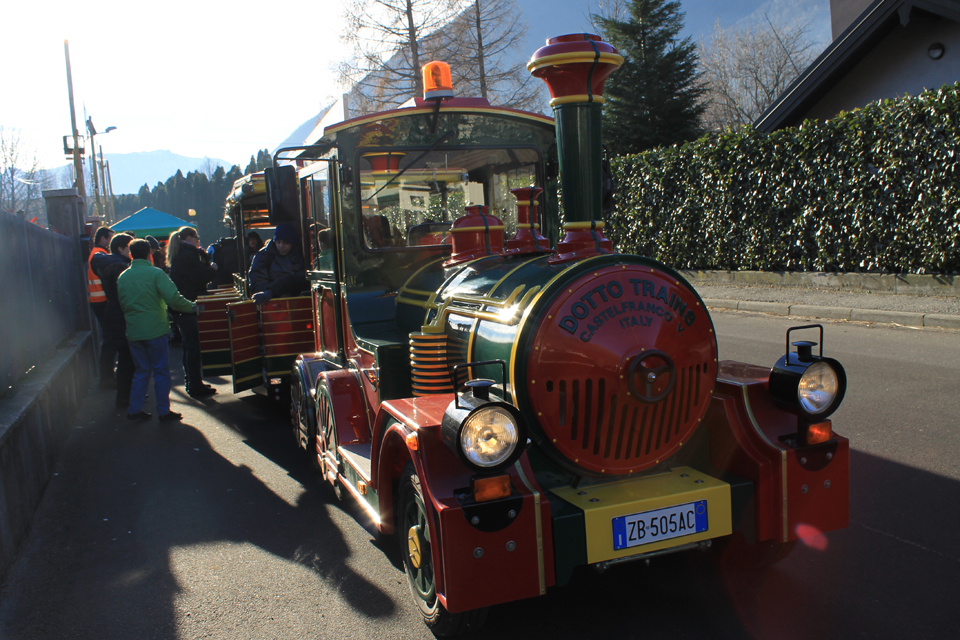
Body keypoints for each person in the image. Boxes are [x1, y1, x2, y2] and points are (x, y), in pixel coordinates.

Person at [117, 238, 196, 422]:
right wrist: (192, 307)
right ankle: (163, 411)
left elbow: (122, 304)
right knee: (160, 371)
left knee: (141, 371)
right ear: (149, 253)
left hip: (134, 331)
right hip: (155, 329)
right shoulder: (156, 274)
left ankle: (134, 409)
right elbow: (174, 298)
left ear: (130, 254)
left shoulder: (123, 277)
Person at [167, 226, 218, 398]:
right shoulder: (189, 255)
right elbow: (201, 276)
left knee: (189, 345)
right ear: (190, 238)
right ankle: (195, 384)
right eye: (196, 237)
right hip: (187, 305)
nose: (198, 240)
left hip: (180, 306)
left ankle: (192, 381)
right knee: (193, 346)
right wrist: (212, 269)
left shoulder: (179, 254)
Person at [90, 233, 135, 408]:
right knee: (127, 357)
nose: (131, 252)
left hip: (110, 310)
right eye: (129, 248)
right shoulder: (121, 268)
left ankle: (121, 392)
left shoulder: (105, 263)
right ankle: (126, 396)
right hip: (122, 313)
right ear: (120, 248)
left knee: (116, 350)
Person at [248, 223, 307, 304]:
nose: (281, 246)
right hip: (273, 304)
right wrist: (270, 293)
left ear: (293, 243)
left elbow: (302, 278)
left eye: (286, 243)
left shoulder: (303, 255)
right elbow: (257, 280)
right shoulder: (263, 256)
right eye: (278, 242)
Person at [88, 226, 116, 388]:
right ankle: (107, 377)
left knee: (109, 340)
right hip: (102, 300)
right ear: (103, 239)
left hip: (98, 300)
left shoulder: (96, 254)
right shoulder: (101, 256)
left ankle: (107, 376)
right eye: (110, 238)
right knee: (110, 340)